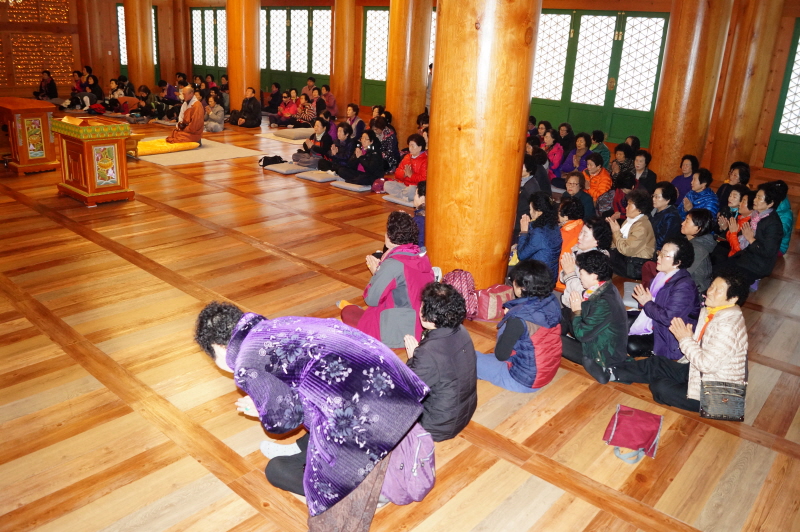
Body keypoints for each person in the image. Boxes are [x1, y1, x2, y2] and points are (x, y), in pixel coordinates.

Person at [193, 302, 428, 521]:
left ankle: (369, 493)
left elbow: (285, 421)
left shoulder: (245, 364)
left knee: (276, 470)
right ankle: (303, 452)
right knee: (318, 407)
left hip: (365, 417)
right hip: (392, 390)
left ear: (219, 347)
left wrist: (261, 409)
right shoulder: (276, 325)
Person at [611, 269, 749, 412]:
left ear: (732, 299)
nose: (710, 291)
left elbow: (706, 365)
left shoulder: (728, 326)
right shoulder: (712, 311)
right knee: (657, 363)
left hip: (719, 397)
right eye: (712, 286)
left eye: (718, 290)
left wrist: (685, 339)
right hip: (700, 374)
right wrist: (688, 338)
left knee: (661, 387)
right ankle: (613, 371)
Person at [340, 211, 434, 347]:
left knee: (348, 312)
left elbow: (371, 299)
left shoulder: (393, 264)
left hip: (402, 331)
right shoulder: (420, 256)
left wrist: (377, 273)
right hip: (423, 325)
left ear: (389, 236)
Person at [404, 282, 477, 441]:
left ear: (432, 316)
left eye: (423, 305)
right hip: (463, 412)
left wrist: (412, 358)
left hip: (438, 426)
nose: (420, 308)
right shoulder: (461, 330)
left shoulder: (428, 352)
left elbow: (409, 388)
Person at [475, 260, 562, 393]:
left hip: (523, 380)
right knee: (482, 360)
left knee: (466, 357)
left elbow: (500, 355)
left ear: (523, 287)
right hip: (545, 373)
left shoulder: (518, 318)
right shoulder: (552, 301)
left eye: (514, 281)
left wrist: (507, 320)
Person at [560, 250, 629, 383]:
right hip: (597, 337)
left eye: (581, 273)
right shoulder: (605, 286)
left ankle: (603, 369)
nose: (580, 277)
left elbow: (582, 335)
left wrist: (577, 311)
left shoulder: (603, 303)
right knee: (564, 313)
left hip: (603, 354)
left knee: (553, 339)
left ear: (594, 276)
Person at [627, 237, 701, 359]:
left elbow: (668, 319)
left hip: (669, 336)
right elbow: (651, 302)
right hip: (655, 322)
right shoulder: (662, 276)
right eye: (660, 252)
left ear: (677, 262)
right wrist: (644, 300)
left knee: (631, 345)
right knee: (622, 318)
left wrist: (647, 303)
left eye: (664, 255)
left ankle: (653, 352)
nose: (658, 257)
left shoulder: (684, 286)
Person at [713, 184, 784, 286]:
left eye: (759, 198)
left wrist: (751, 239)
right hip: (745, 257)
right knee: (715, 267)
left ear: (770, 203)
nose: (755, 200)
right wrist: (726, 229)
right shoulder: (756, 216)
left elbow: (768, 252)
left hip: (757, 265)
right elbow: (739, 239)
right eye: (756, 197)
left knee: (722, 278)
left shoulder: (773, 224)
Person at [559, 217, 613, 307]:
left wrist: (569, 273)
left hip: (580, 306)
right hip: (569, 298)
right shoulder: (577, 250)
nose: (579, 237)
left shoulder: (597, 262)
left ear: (597, 241)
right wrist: (567, 272)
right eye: (581, 232)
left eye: (585, 235)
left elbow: (586, 294)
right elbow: (562, 277)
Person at [607, 188, 655, 279]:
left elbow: (627, 250)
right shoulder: (629, 221)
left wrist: (616, 232)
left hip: (636, 266)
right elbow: (616, 244)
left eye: (629, 205)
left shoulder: (642, 226)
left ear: (640, 209)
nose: (626, 208)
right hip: (627, 260)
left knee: (603, 261)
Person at [517, 192, 562, 282]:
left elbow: (521, 256)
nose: (530, 212)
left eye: (531, 209)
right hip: (551, 274)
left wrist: (523, 232)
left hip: (538, 279)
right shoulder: (554, 225)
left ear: (539, 212)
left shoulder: (539, 232)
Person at [514, 154, 550, 243]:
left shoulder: (531, 187)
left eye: (522, 165)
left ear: (529, 169)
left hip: (521, 224)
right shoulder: (521, 181)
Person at [680, 209, 715, 293]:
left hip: (695, 291)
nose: (682, 223)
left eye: (687, 221)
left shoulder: (697, 248)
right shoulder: (688, 242)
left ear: (698, 228)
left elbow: (683, 273)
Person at [385, 133, 427, 201]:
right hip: (404, 185)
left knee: (411, 190)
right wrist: (404, 174)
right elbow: (397, 172)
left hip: (415, 187)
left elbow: (424, 179)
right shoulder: (407, 157)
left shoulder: (425, 160)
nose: (410, 148)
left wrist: (411, 175)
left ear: (420, 147)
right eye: (409, 145)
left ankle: (403, 195)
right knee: (387, 184)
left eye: (413, 146)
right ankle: (405, 196)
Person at [715, 188, 754, 259]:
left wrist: (730, 231)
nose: (740, 204)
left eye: (743, 201)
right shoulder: (738, 216)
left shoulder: (750, 224)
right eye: (730, 195)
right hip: (726, 248)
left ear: (753, 207)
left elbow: (738, 250)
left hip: (734, 257)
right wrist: (723, 228)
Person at [556, 198, 585, 291]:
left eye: (559, 211)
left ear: (566, 216)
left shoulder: (562, 233)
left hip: (562, 279)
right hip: (579, 279)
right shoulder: (583, 226)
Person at [650, 181, 683, 252]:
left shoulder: (671, 217)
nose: (653, 199)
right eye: (653, 196)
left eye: (657, 197)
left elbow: (662, 242)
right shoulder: (654, 210)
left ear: (667, 200)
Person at [769, 180, 795, 256]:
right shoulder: (770, 205)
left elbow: (780, 233)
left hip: (779, 247)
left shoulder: (786, 213)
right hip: (767, 243)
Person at [413, 181, 426, 247]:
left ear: (423, 199)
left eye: (415, 195)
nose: (414, 198)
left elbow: (418, 245)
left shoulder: (418, 220)